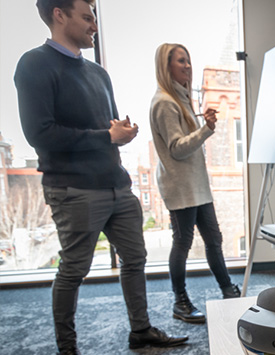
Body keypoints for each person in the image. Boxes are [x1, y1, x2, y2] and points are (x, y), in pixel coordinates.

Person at [13, 1, 189, 353]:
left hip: (117, 185)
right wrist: (106, 136)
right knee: (74, 269)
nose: (94, 25)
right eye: (87, 17)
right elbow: (40, 134)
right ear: (59, 15)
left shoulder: (99, 74)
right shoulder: (34, 64)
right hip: (73, 188)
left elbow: (105, 128)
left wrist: (119, 131)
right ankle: (68, 347)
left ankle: (140, 330)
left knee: (135, 259)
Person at [149, 43, 241, 324]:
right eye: (180, 61)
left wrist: (203, 126)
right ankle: (180, 302)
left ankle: (228, 290)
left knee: (214, 239)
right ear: (166, 67)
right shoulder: (165, 102)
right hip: (181, 187)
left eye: (188, 61)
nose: (187, 66)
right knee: (183, 243)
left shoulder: (181, 98)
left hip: (197, 185)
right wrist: (206, 130)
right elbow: (177, 148)